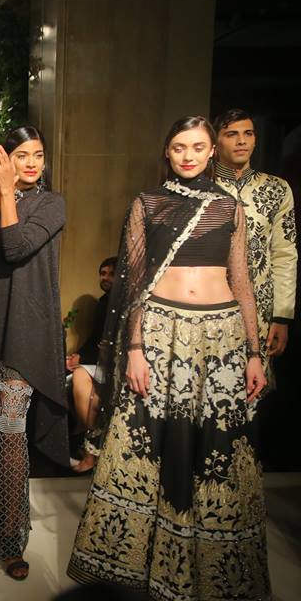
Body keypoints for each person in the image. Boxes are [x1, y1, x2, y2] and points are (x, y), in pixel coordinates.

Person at [68, 116, 270, 600]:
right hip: (161, 333)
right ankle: (143, 565)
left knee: (216, 447)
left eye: (198, 147)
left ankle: (216, 572)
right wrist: (135, 348)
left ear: (212, 151)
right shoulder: (148, 203)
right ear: (167, 151)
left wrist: (254, 352)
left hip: (220, 338)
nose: (189, 156)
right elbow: (134, 282)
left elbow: (241, 281)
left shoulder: (229, 207)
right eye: (180, 147)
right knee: (154, 441)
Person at [0, 126, 68, 581]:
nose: (31, 163)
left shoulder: (52, 203)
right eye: (21, 155)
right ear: (2, 160)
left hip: (24, 330)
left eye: (37, 155)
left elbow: (16, 245)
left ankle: (12, 538)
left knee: (11, 435)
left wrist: (6, 195)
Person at [212, 108, 296, 381]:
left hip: (260, 306)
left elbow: (284, 253)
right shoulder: (202, 186)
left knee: (252, 385)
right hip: (210, 301)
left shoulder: (276, 188)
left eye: (248, 133)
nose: (241, 141)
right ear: (216, 141)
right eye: (231, 134)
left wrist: (282, 316)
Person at [64, 256, 116, 473]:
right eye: (102, 273)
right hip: (99, 362)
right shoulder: (103, 302)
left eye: (111, 274)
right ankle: (87, 444)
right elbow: (95, 339)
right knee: (69, 377)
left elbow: (110, 345)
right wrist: (76, 356)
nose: (105, 278)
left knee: (80, 378)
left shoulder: (121, 303)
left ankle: (90, 450)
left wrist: (82, 360)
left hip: (114, 365)